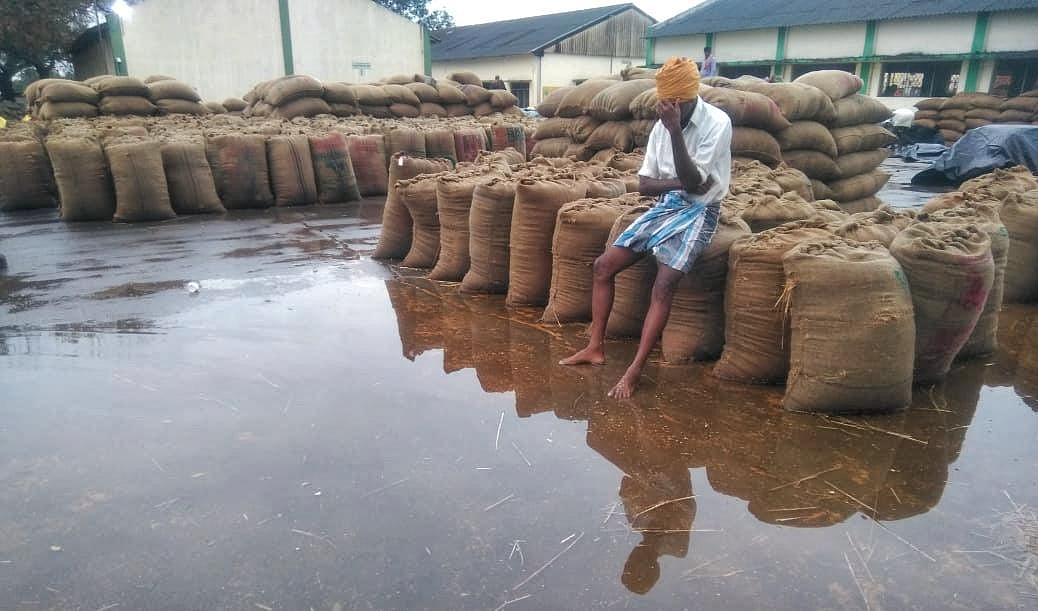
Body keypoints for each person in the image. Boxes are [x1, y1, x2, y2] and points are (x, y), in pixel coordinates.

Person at [560, 56, 732, 399]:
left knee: (664, 284)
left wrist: (675, 140)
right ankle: (595, 347)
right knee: (603, 267)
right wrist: (678, 184)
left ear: (685, 100)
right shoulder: (659, 127)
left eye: (671, 104)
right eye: (662, 102)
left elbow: (697, 183)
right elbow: (645, 185)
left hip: (702, 210)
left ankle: (635, 370)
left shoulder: (717, 123)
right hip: (669, 205)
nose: (664, 109)